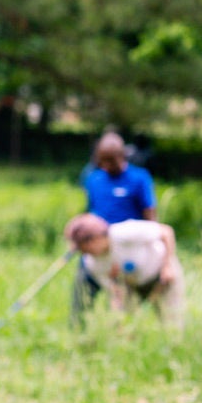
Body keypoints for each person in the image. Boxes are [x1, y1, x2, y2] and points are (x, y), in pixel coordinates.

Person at [73, 131, 157, 323]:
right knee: (83, 287)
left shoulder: (139, 178)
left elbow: (150, 217)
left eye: (110, 161)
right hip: (97, 248)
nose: (106, 166)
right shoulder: (93, 179)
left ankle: (125, 334)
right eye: (102, 161)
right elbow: (90, 213)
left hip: (127, 250)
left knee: (125, 303)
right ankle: (79, 331)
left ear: (122, 156)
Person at [63, 213, 186, 327]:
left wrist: (167, 266)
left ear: (95, 238)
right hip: (131, 285)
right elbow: (114, 289)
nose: (85, 253)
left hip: (162, 276)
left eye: (85, 247)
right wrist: (117, 308)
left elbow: (166, 232)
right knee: (125, 324)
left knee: (172, 322)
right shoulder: (91, 262)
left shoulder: (124, 232)